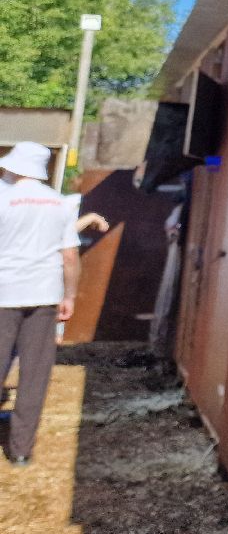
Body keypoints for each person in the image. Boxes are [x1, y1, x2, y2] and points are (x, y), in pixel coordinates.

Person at [0, 141, 81, 466]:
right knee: (35, 373)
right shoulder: (60, 203)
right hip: (45, 294)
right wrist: (70, 295)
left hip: (3, 293)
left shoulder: (2, 198)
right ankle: (20, 450)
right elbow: (70, 256)